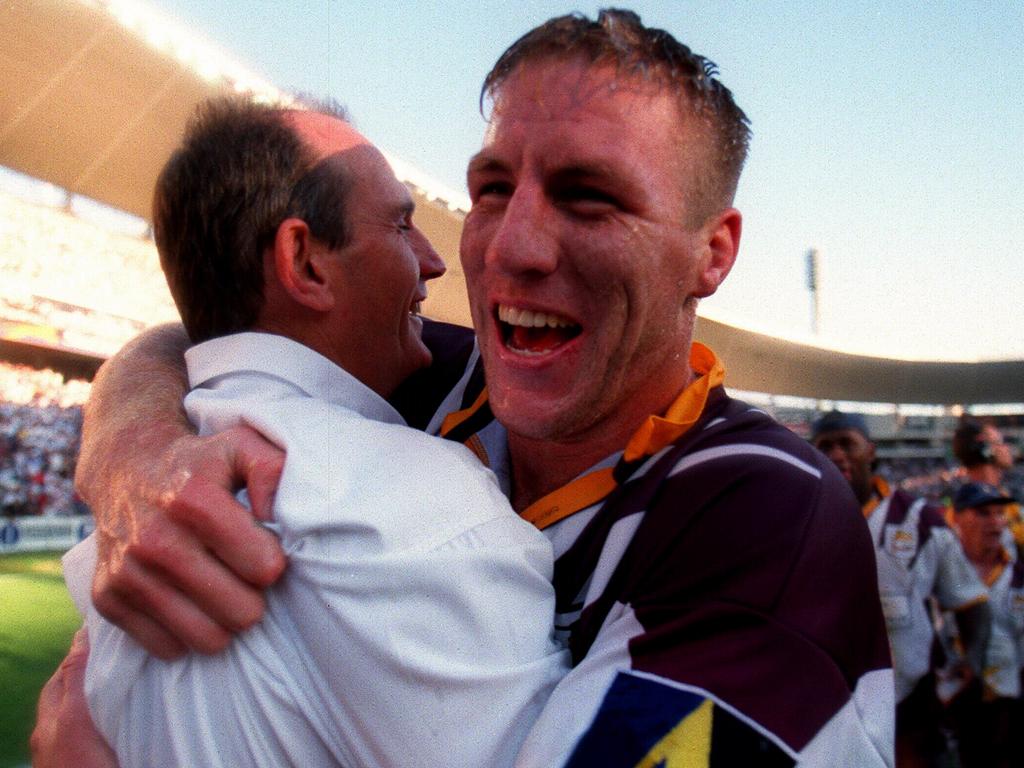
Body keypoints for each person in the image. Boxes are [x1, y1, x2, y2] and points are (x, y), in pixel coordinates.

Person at [36, 10, 894, 767]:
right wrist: (134, 442)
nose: (502, 248)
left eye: (589, 198)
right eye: (491, 188)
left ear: (713, 252)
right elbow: (221, 333)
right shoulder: (442, 381)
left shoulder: (768, 520)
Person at [60, 97, 568, 767]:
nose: (433, 260)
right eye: (401, 224)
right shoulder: (427, 507)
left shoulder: (129, 531)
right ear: (304, 262)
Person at [811, 410, 990, 767]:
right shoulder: (798, 518)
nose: (837, 453)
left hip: (913, 705)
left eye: (847, 443)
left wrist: (974, 663)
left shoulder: (920, 520)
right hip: (829, 708)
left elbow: (972, 601)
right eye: (825, 446)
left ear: (871, 451)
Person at [939, 482, 1023, 768]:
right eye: (984, 513)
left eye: (1000, 513)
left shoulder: (1018, 572)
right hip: (949, 705)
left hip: (1008, 704)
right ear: (958, 517)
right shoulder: (937, 568)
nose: (995, 522)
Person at [950, 418, 1022, 551]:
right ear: (987, 450)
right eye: (1000, 442)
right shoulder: (972, 510)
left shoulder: (1001, 498)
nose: (1006, 447)